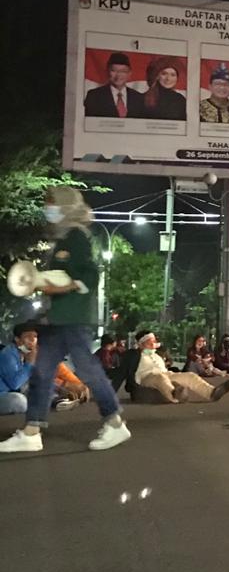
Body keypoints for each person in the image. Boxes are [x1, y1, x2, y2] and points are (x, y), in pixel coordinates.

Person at [0, 187, 130, 453]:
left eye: (52, 204)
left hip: (73, 318)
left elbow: (89, 276)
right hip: (57, 319)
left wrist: (62, 286)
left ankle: (115, 423)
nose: (48, 209)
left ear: (67, 207)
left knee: (88, 370)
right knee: (42, 373)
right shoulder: (63, 238)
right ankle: (32, 431)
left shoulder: (75, 237)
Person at [132, 333, 229, 404]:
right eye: (149, 342)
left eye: (153, 341)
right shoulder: (135, 355)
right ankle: (174, 394)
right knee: (160, 378)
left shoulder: (157, 355)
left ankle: (211, 393)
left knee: (190, 376)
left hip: (166, 374)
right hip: (147, 376)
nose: (153, 344)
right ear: (141, 344)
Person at [83, 51, 144, 118]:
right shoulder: (94, 96)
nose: (118, 75)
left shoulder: (139, 98)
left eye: (123, 71)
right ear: (107, 71)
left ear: (129, 74)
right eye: (114, 70)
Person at [140, 56, 186, 120]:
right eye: (164, 74)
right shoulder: (143, 99)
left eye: (173, 75)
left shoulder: (180, 100)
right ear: (157, 76)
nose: (168, 78)